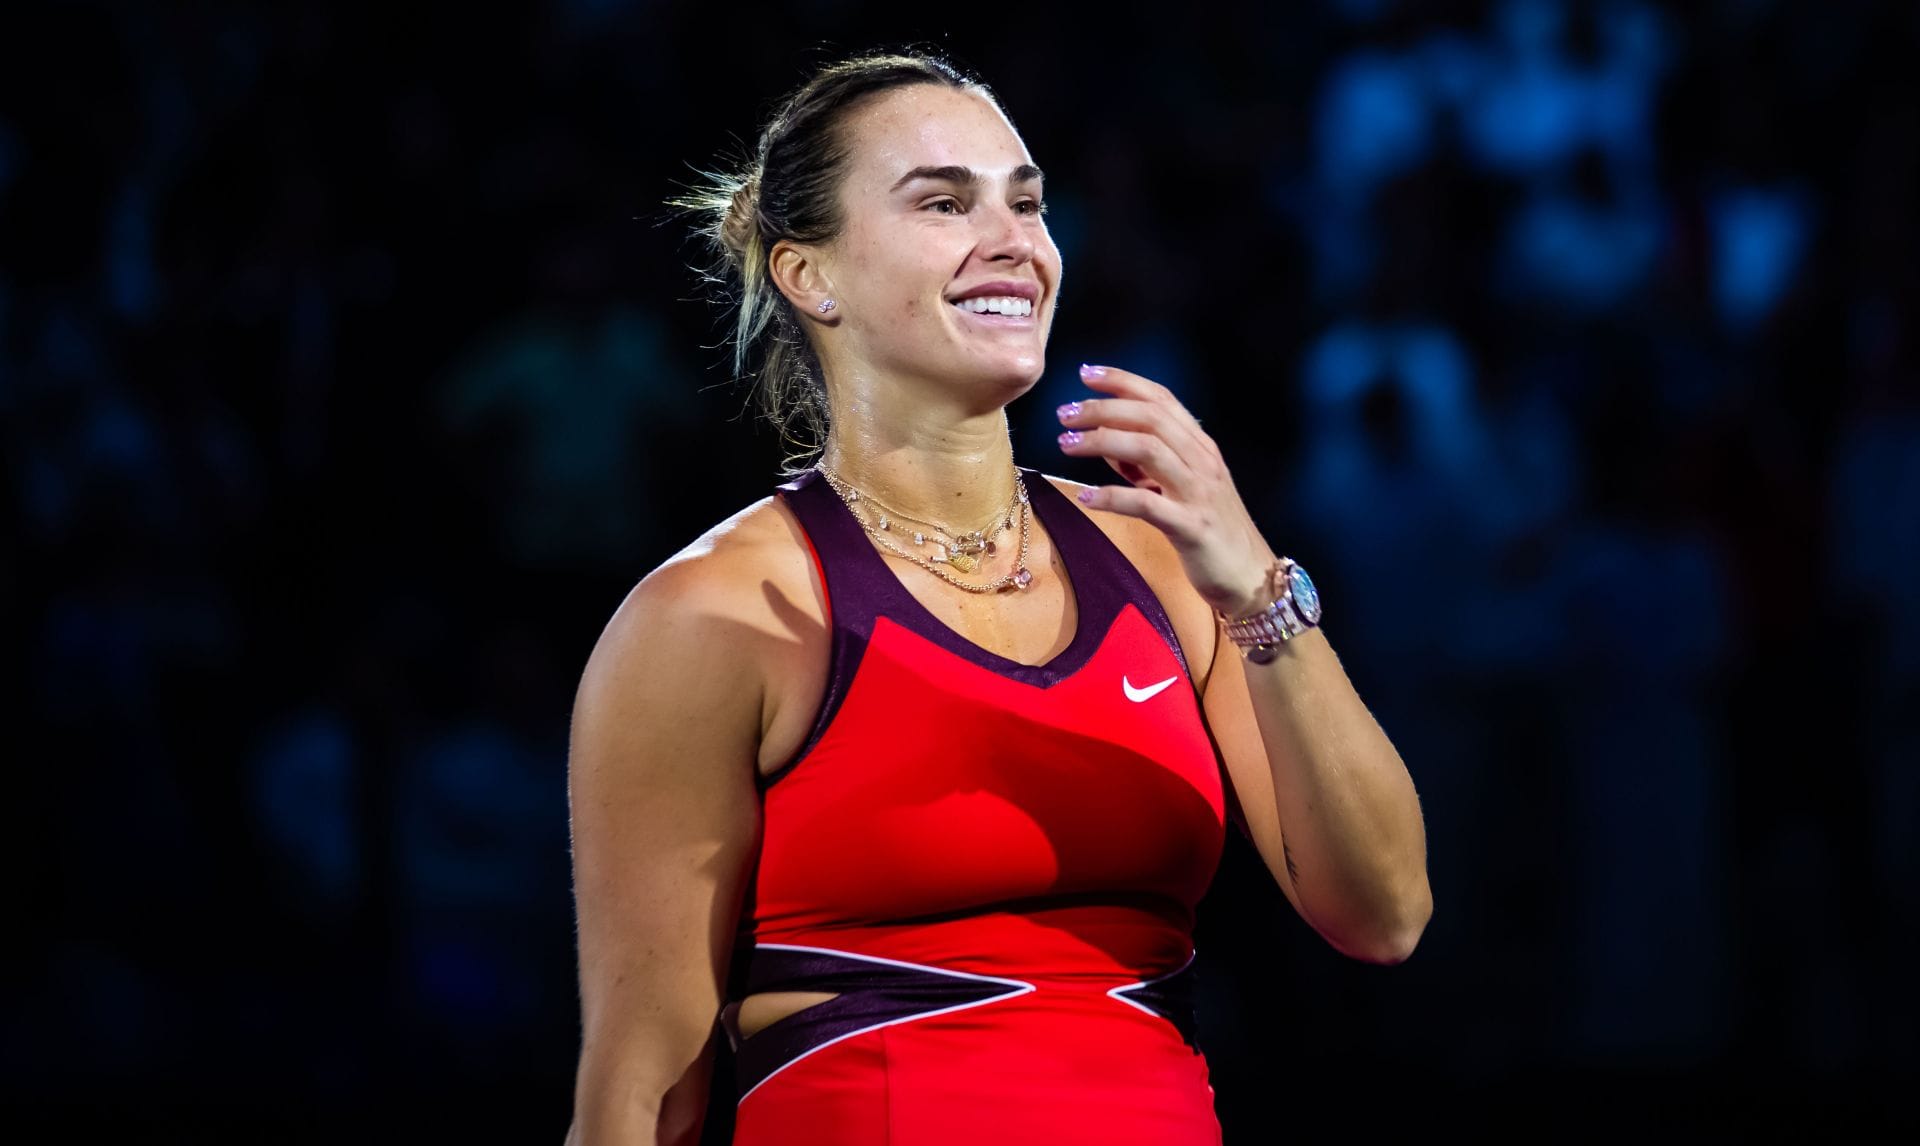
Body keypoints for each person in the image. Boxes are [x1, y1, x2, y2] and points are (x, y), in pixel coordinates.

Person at [564, 51, 1431, 1146]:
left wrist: (1256, 583)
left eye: (1028, 203)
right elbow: (639, 1095)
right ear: (808, 276)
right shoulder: (713, 616)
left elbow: (1386, 912)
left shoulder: (1166, 561)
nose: (1015, 241)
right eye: (943, 201)